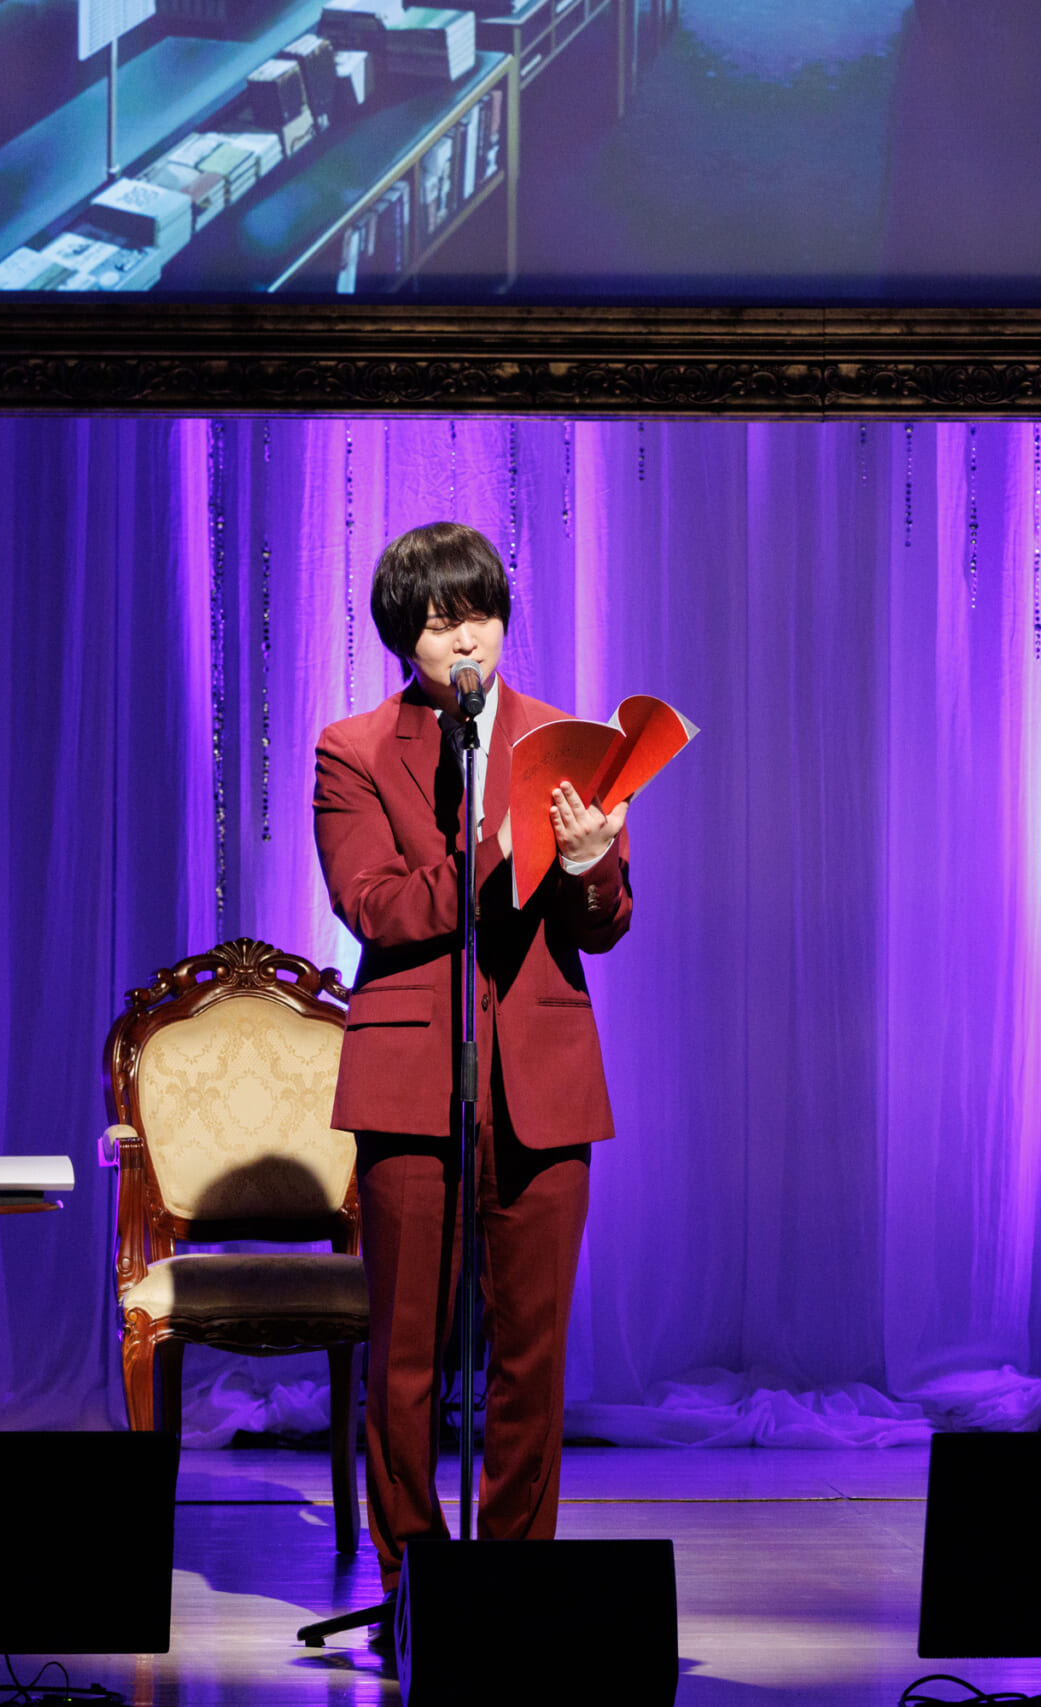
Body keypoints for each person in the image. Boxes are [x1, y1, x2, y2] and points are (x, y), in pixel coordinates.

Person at [313, 521, 633, 1634]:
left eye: (481, 615)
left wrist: (590, 866)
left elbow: (605, 925)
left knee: (531, 1359)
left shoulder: (563, 741)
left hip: (542, 1082)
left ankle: (510, 1597)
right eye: (441, 623)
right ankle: (416, 1593)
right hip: (412, 1080)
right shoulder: (354, 749)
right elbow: (378, 907)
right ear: (405, 638)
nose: (466, 641)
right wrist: (497, 852)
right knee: (405, 1357)